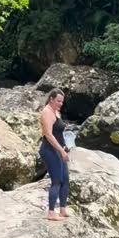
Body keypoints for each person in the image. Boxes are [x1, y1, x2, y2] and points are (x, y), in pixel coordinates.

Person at [39, 89, 70, 222]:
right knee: (56, 181)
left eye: (62, 102)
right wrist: (61, 151)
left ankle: (62, 209)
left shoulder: (56, 111)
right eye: (58, 101)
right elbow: (48, 135)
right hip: (49, 150)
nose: (60, 104)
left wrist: (64, 147)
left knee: (65, 179)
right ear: (51, 99)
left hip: (58, 149)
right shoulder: (47, 112)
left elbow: (59, 133)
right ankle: (51, 212)